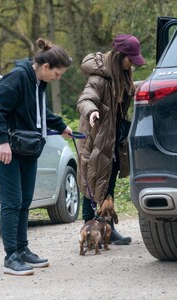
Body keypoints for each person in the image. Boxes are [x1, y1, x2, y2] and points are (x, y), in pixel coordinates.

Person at [0, 38, 72, 275]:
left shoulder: (37, 82)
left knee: (25, 201)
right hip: (7, 148)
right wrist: (3, 142)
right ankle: (10, 257)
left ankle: (23, 250)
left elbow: (38, 111)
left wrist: (61, 125)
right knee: (12, 202)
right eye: (58, 73)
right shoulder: (18, 77)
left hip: (27, 147)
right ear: (46, 67)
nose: (59, 77)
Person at [76, 34, 145, 245]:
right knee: (92, 183)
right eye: (130, 59)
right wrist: (92, 112)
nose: (132, 63)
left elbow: (131, 91)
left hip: (113, 140)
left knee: (109, 183)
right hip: (95, 138)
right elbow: (85, 99)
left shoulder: (124, 76)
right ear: (119, 56)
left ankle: (107, 228)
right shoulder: (99, 78)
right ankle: (90, 229)